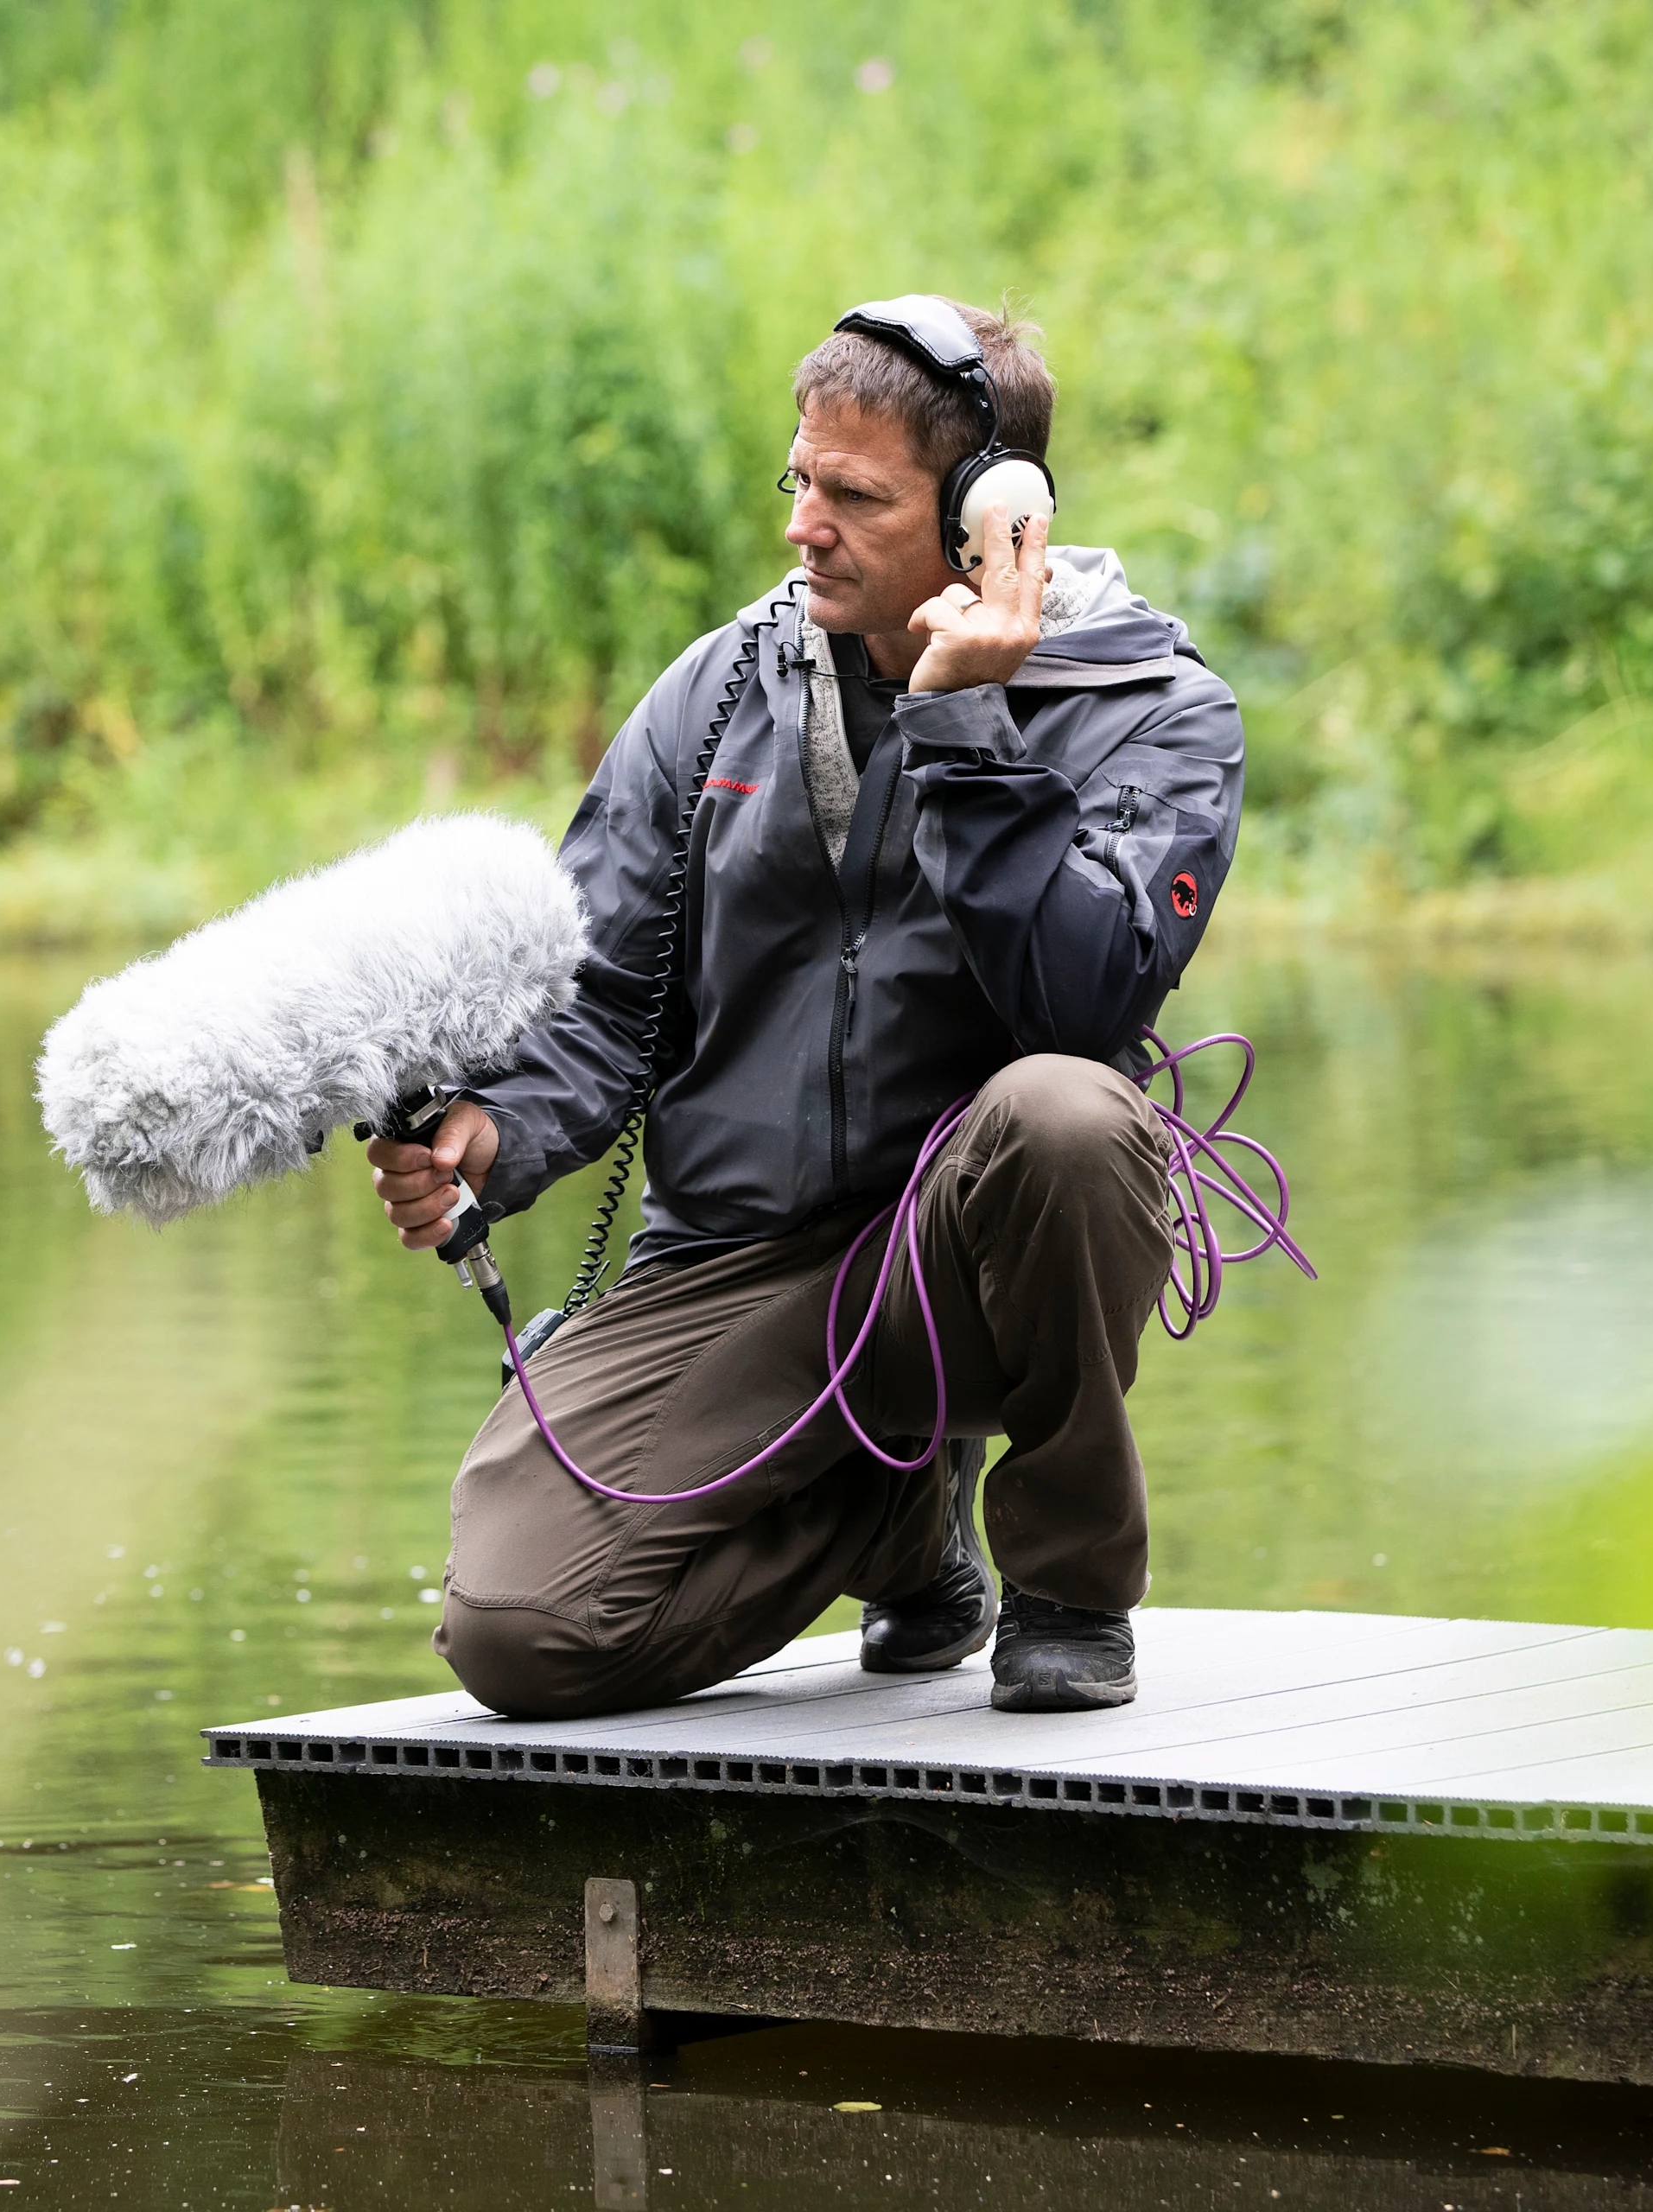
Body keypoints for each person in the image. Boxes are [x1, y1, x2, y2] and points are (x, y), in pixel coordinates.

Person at [366, 296, 1243, 1720]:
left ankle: (1071, 1584)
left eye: (854, 496)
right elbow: (602, 998)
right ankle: (895, 1519)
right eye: (798, 480)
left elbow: (1083, 999)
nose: (802, 526)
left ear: (986, 519)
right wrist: (499, 1133)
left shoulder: (1152, 708)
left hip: (968, 1255)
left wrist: (964, 726)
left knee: (1071, 1114)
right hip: (734, 1260)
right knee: (521, 1637)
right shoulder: (715, 694)